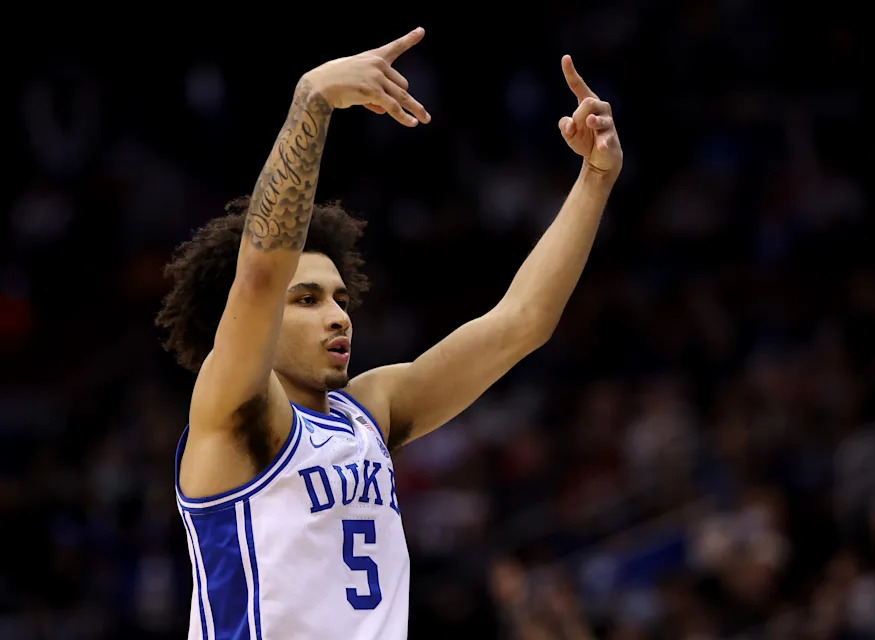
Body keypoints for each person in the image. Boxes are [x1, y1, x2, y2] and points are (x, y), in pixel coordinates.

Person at [155, 26, 621, 640]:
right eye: (307, 299)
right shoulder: (235, 416)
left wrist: (595, 178)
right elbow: (261, 271)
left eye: (341, 298)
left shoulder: (367, 413)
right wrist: (313, 99)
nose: (338, 314)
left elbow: (519, 324)